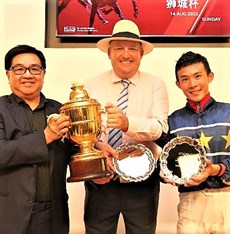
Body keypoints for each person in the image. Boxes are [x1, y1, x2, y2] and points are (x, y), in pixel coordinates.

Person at [83, 19, 169, 234]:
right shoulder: (91, 85)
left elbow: (160, 128)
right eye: (119, 48)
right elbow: (83, 133)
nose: (126, 54)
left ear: (141, 53)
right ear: (109, 53)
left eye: (132, 48)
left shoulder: (155, 84)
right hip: (100, 179)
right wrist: (95, 150)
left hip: (142, 182)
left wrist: (127, 123)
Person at [0, 44, 74, 234]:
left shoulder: (60, 110)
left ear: (43, 73)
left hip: (53, 217)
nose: (27, 74)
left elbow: (74, 150)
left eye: (34, 69)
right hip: (9, 216)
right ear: (8, 74)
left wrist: (97, 152)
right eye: (19, 69)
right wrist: (46, 137)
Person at [160, 51, 230, 233]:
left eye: (197, 76)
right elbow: (166, 163)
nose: (192, 84)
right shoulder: (171, 122)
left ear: (210, 76)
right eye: (184, 79)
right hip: (190, 203)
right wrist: (166, 175)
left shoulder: (228, 113)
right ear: (178, 84)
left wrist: (218, 169)